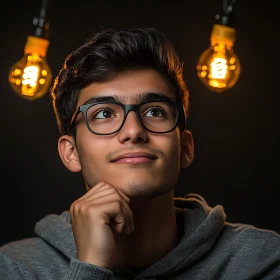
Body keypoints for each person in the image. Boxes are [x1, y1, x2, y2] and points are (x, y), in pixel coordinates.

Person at [1, 26, 280, 280]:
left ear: (185, 147)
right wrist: (91, 268)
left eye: (154, 111)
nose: (133, 130)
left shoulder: (264, 260)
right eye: (104, 113)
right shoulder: (14, 268)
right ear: (71, 153)